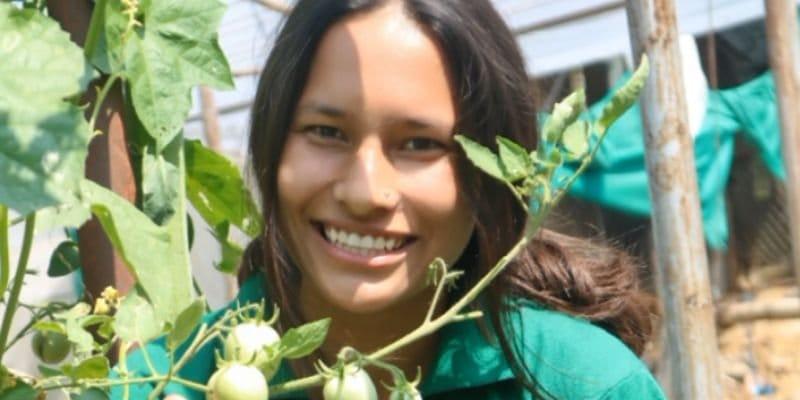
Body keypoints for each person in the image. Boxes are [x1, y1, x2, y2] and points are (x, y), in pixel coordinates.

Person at [117, 0, 668, 399]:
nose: (365, 193)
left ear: (495, 179)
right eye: (326, 133)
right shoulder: (162, 385)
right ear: (271, 146)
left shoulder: (583, 385)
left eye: (420, 144)